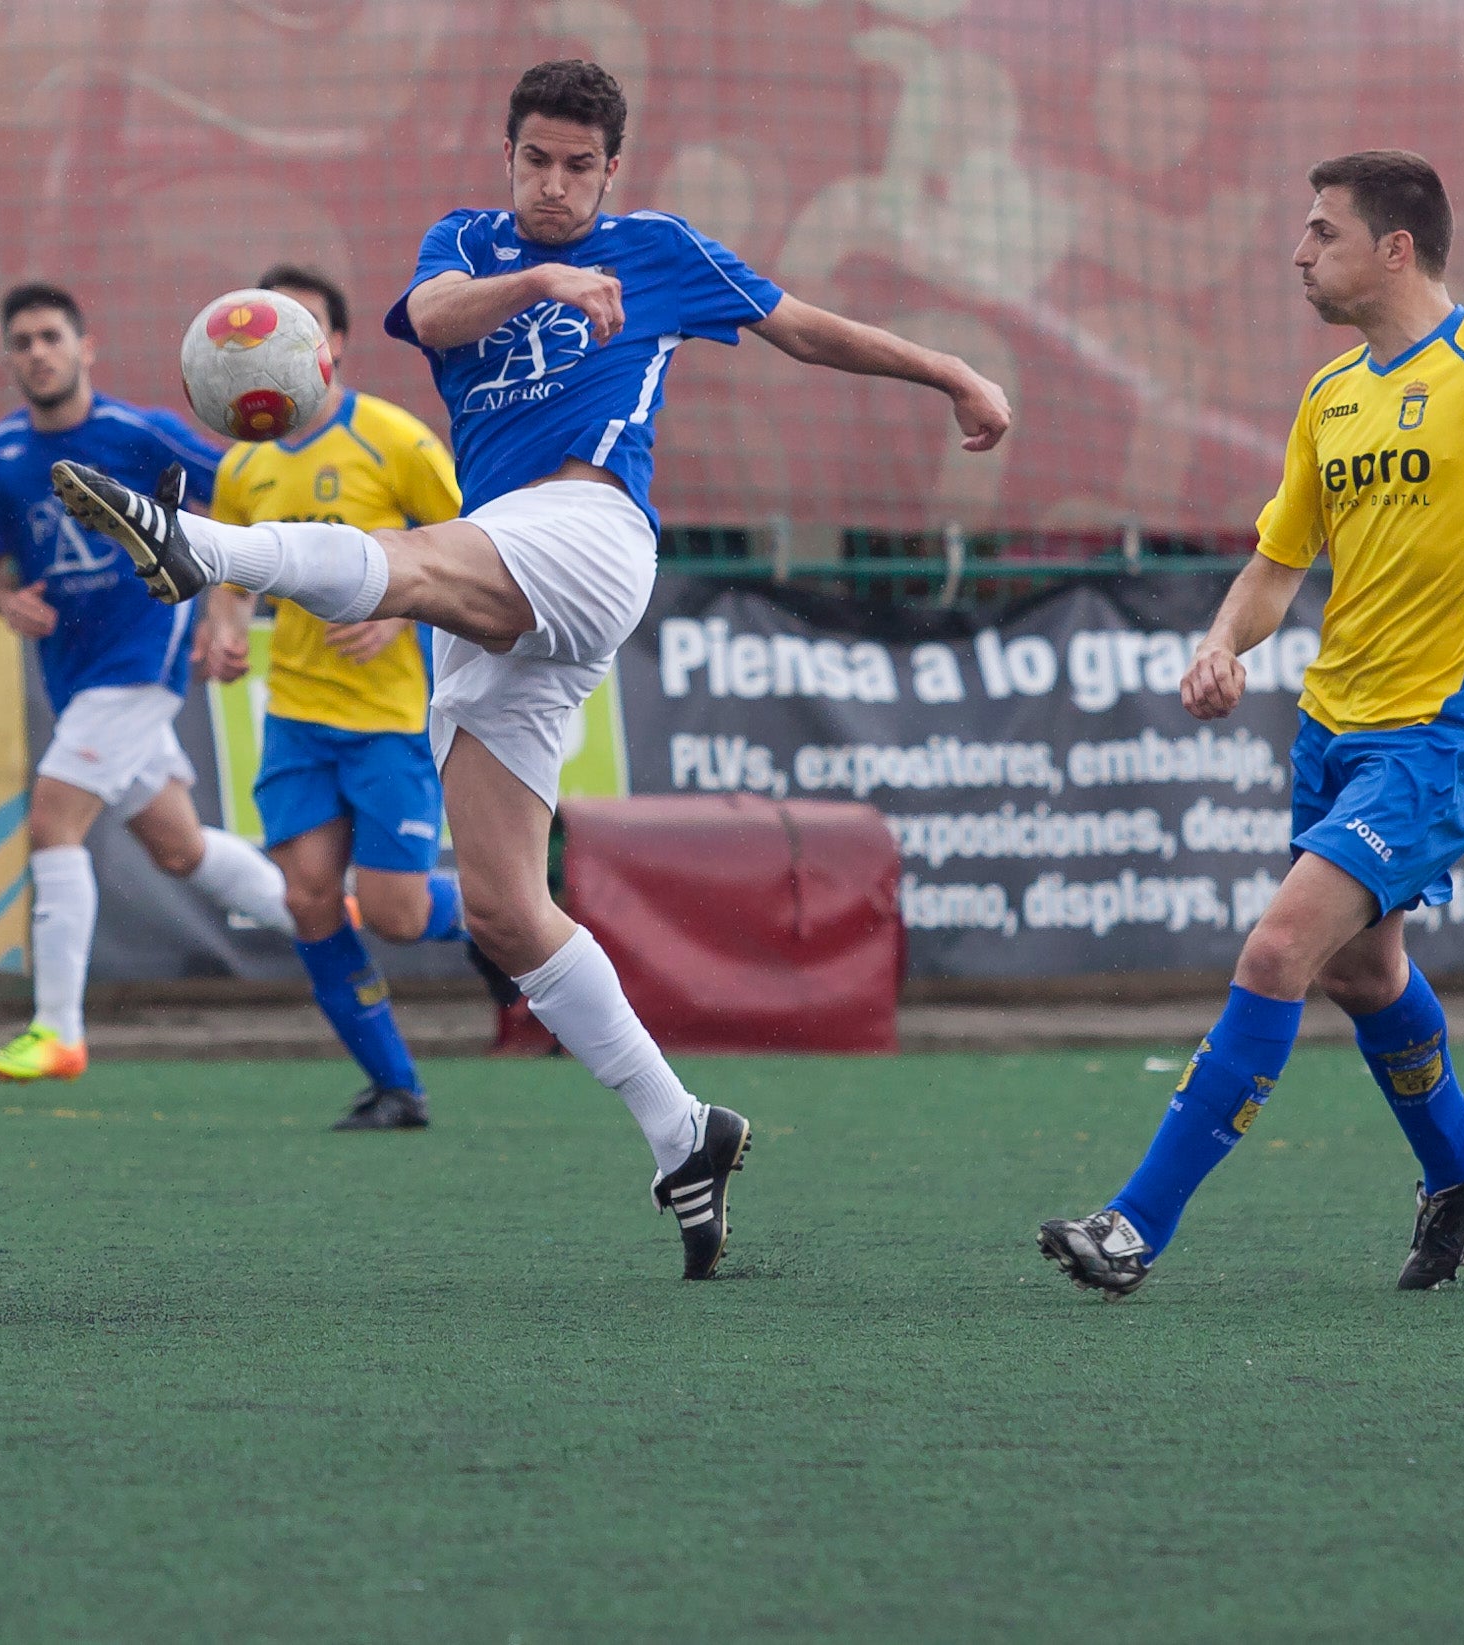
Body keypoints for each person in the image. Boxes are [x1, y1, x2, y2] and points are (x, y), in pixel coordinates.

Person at [52, 60, 1014, 1277]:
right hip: (503, 566)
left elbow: (800, 327)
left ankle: (199, 545)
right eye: (535, 160)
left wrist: (952, 372)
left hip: (590, 532)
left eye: (577, 166)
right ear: (507, 157)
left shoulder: (660, 247)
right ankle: (683, 1129)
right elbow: (437, 315)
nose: (554, 184)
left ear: (611, 170)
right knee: (506, 907)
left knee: (401, 563)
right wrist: (546, 276)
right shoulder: (465, 244)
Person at [1034, 151, 1464, 1298]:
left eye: (1320, 233)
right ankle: (1461, 1161)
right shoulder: (1328, 395)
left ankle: (1134, 1223)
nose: (1298, 254)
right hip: (1333, 730)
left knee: (1276, 949)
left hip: (1447, 733)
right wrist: (1218, 643)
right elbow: (1275, 565)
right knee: (1362, 972)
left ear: (1394, 248)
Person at [0, 281, 294, 1084]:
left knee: (52, 824)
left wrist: (224, 611)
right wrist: (6, 601)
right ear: (9, 358)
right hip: (74, 673)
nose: (38, 352)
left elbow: (242, 497)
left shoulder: (140, 434)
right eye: (24, 341)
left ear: (86, 349)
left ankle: (57, 1032)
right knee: (178, 848)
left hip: (141, 660)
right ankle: (323, 914)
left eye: (52, 337)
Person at [204, 264, 476, 1131]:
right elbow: (228, 569)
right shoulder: (242, 465)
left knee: (395, 912)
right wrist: (222, 622)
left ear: (334, 348)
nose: (283, 350)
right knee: (309, 898)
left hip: (388, 718)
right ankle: (396, 1084)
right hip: (296, 716)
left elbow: (469, 547)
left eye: (303, 331)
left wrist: (400, 615)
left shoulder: (395, 441)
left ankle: (511, 908)